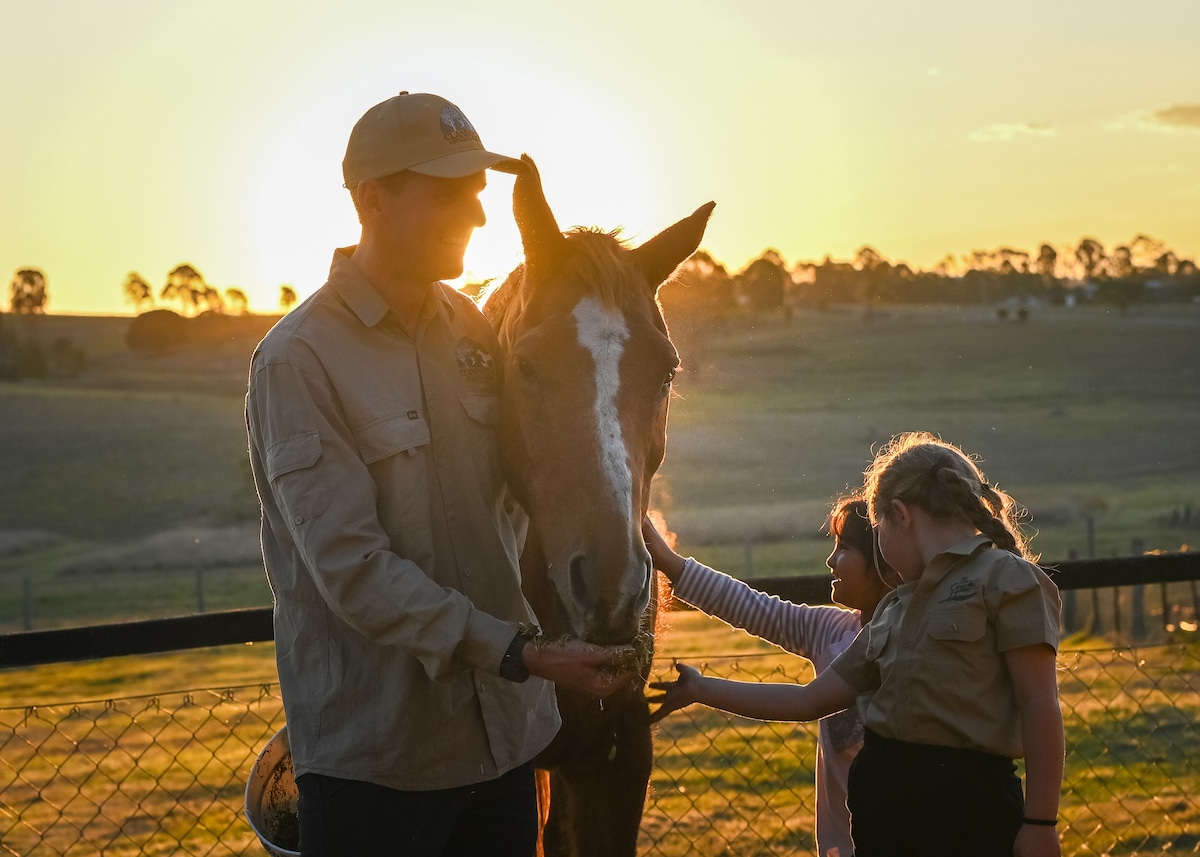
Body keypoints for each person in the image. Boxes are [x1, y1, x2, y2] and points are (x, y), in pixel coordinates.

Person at [245, 91, 636, 857]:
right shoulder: (299, 361)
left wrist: (619, 534)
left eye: (478, 194)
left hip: (503, 746)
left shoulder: (479, 333)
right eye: (450, 193)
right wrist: (522, 651)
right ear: (373, 199)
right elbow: (352, 570)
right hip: (381, 763)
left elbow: (534, 475)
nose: (478, 216)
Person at [649, 432, 1064, 857]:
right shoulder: (895, 609)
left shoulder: (1008, 579)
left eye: (877, 526)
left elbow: (1039, 703)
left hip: (969, 815)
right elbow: (809, 701)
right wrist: (701, 689)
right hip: (883, 820)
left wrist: (1040, 823)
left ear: (899, 515)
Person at [642, 498, 897, 857]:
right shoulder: (832, 631)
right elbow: (752, 607)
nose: (830, 560)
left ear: (885, 560)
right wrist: (667, 560)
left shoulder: (911, 647)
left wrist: (701, 688)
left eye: (844, 548)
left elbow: (804, 702)